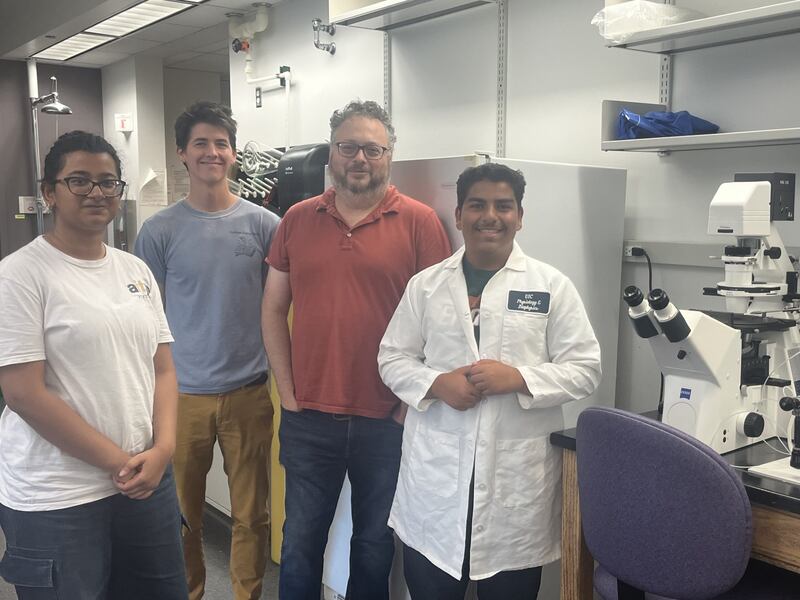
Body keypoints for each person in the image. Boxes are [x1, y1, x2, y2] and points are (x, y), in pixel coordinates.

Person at [378, 162, 602, 600]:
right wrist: (437, 383)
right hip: (436, 484)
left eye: (503, 206)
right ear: (459, 215)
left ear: (520, 216)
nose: (490, 216)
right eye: (477, 205)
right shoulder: (426, 286)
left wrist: (519, 378)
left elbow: (586, 367)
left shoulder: (551, 286)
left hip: (513, 488)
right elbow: (392, 357)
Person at [261, 99, 451, 600]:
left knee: (373, 546)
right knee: (299, 543)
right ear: (331, 152)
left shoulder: (420, 222)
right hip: (308, 417)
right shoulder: (297, 219)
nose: (360, 158)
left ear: (389, 155)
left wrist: (409, 405)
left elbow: (442, 323)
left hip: (386, 419)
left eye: (373, 149)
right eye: (348, 147)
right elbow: (272, 309)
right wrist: (287, 392)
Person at [0, 130, 187, 599]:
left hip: (146, 482)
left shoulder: (134, 270)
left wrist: (164, 449)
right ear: (49, 192)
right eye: (79, 181)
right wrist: (121, 464)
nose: (96, 192)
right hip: (59, 496)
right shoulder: (20, 274)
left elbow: (163, 368)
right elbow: (23, 393)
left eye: (108, 182)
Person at [135, 101, 280, 600]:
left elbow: (277, 306)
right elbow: (146, 322)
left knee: (253, 515)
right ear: (182, 152)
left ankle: (247, 594)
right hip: (181, 397)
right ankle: (189, 592)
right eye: (200, 143)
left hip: (249, 394)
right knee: (181, 515)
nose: (211, 152)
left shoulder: (265, 225)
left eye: (221, 144)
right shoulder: (159, 231)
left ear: (233, 153)